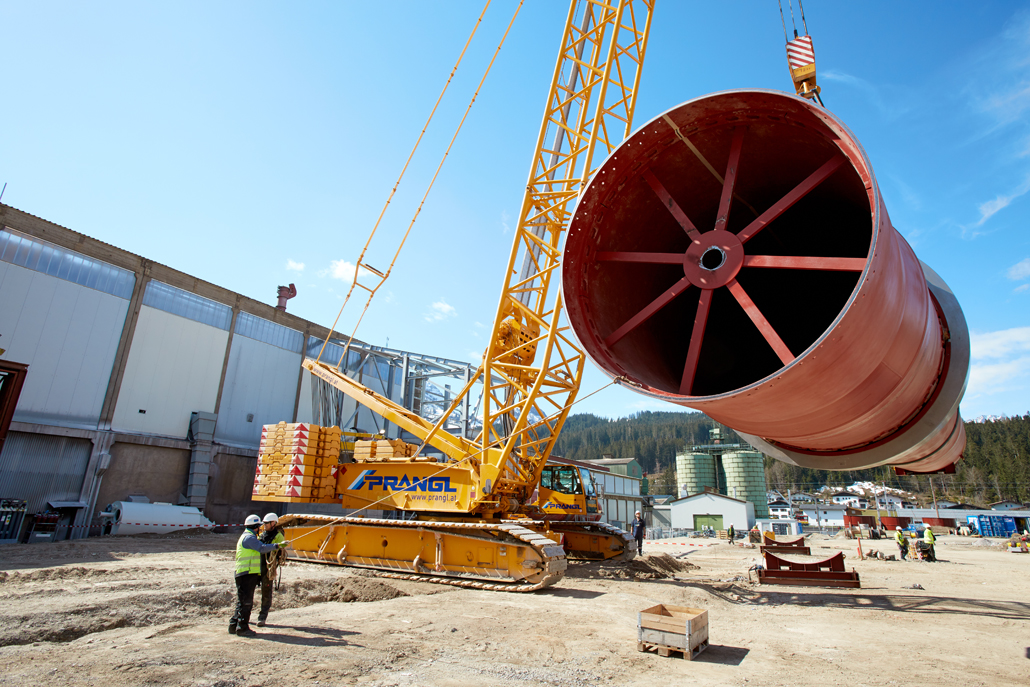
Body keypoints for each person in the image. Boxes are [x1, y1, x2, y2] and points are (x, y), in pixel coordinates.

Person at [230, 514, 285, 637]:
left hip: (252, 571)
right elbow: (261, 548)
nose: (262, 527)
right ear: (255, 527)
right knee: (246, 602)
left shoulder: (251, 536)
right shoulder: (251, 538)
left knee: (242, 601)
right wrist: (277, 546)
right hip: (248, 572)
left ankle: (234, 625)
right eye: (261, 525)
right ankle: (242, 628)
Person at [256, 513, 287, 627]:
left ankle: (262, 616)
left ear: (273, 523)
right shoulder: (262, 535)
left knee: (266, 591)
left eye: (267, 523)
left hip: (268, 567)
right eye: (264, 523)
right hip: (257, 566)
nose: (264, 525)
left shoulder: (278, 536)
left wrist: (280, 546)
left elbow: (280, 550)